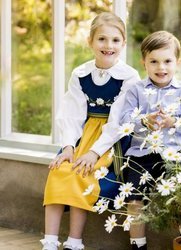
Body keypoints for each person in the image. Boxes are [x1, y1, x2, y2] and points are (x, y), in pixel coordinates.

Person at [40, 12, 140, 250]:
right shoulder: (81, 73)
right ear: (91, 41)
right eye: (102, 39)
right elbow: (72, 113)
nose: (108, 46)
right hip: (82, 136)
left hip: (110, 142)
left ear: (123, 43)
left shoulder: (129, 77)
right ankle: (50, 242)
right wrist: (68, 147)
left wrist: (94, 153)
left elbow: (117, 122)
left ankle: (75, 242)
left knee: (82, 174)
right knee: (60, 170)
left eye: (115, 40)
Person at [119, 31, 181, 250]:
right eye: (153, 61)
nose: (160, 67)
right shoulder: (135, 90)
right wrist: (144, 121)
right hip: (141, 154)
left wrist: (173, 121)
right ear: (144, 62)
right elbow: (125, 120)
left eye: (167, 61)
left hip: (175, 154)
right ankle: (138, 244)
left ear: (178, 62)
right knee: (134, 198)